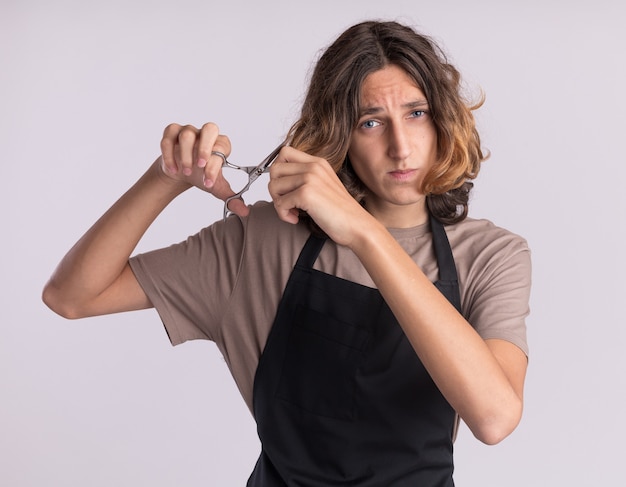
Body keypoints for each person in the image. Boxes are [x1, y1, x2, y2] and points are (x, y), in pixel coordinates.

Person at [43, 20, 531, 486]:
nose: (400, 147)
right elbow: (71, 297)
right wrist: (165, 178)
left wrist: (364, 233)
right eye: (370, 121)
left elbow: (494, 417)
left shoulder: (490, 256)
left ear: (442, 120)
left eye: (416, 113)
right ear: (340, 134)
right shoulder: (262, 241)